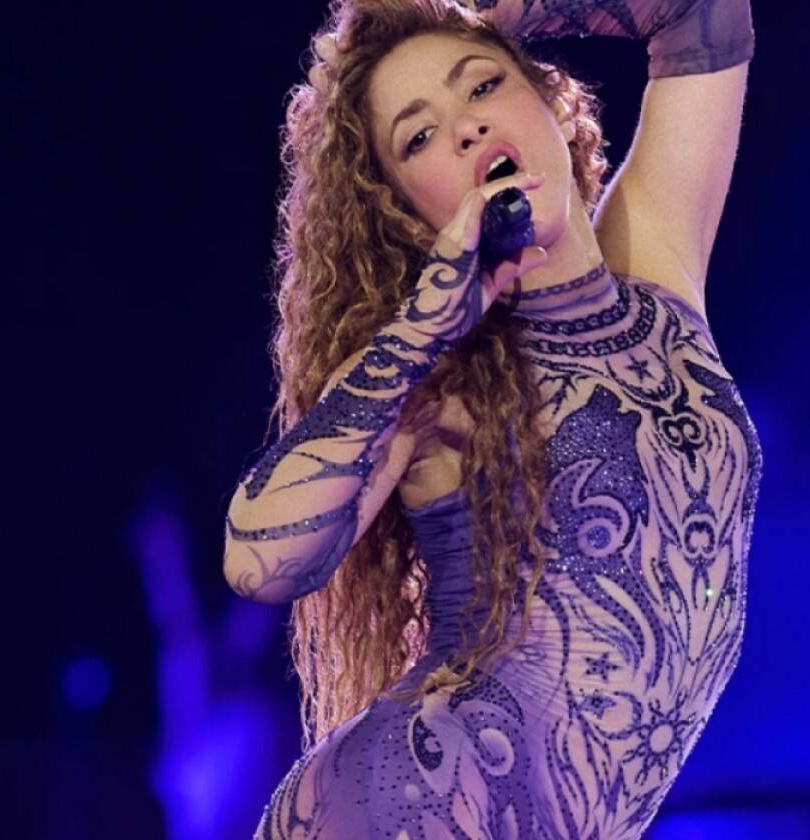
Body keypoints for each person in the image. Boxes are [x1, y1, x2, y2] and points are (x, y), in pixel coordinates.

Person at [222, 0, 759, 835]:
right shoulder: (439, 378)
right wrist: (419, 329)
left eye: (482, 86)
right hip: (413, 808)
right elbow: (260, 563)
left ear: (549, 101)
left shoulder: (656, 261)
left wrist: (491, 8)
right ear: (408, 212)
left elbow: (702, 15)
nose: (467, 127)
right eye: (419, 138)